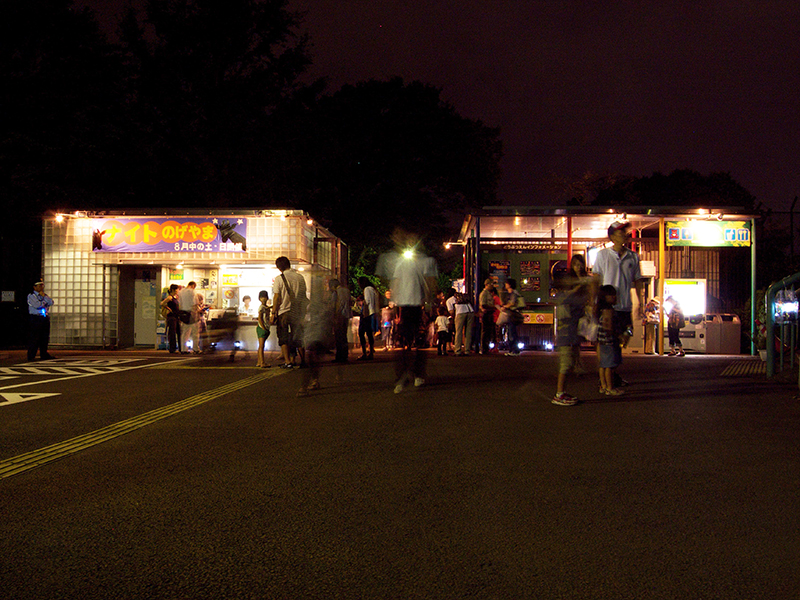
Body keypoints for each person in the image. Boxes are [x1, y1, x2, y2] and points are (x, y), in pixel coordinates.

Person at [376, 228, 438, 393]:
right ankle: (402, 375)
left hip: (417, 304)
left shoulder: (424, 260)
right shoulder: (403, 261)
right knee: (401, 341)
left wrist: (430, 303)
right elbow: (394, 281)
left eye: (414, 239)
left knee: (418, 340)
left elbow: (429, 282)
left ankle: (417, 374)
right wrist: (391, 301)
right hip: (402, 305)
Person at [592, 221, 646, 380]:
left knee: (625, 337)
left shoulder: (633, 256)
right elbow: (596, 279)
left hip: (625, 306)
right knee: (607, 344)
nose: (624, 235)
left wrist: (640, 302)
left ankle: (611, 375)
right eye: (620, 232)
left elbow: (638, 281)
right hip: (608, 308)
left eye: (625, 232)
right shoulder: (603, 255)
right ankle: (606, 379)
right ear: (612, 236)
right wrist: (593, 302)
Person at [552, 255, 593, 405]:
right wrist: (577, 287)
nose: (578, 267)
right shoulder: (570, 285)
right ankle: (559, 394)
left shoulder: (584, 283)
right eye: (575, 264)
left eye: (580, 264)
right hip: (566, 328)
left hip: (575, 327)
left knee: (571, 361)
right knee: (566, 362)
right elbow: (562, 299)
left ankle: (562, 392)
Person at [271, 256, 308, 369]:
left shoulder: (279, 279)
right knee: (299, 336)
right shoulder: (300, 277)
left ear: (279, 267)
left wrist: (273, 313)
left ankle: (288, 361)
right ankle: (303, 361)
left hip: (284, 312)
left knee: (283, 337)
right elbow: (303, 295)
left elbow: (277, 297)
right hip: (297, 312)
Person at [597, 284, 624, 396]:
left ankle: (603, 386)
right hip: (609, 341)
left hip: (602, 341)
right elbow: (609, 326)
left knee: (603, 365)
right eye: (612, 295)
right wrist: (618, 335)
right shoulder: (609, 310)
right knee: (609, 366)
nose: (614, 297)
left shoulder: (601, 309)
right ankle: (610, 388)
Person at [27, 280, 55, 361]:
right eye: (39, 285)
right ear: (34, 287)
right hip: (35, 318)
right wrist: (44, 302)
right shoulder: (31, 296)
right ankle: (31, 355)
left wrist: (44, 298)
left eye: (42, 285)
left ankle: (44, 354)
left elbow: (51, 302)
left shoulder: (44, 295)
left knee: (44, 337)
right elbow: (37, 305)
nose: (41, 287)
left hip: (44, 317)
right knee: (34, 337)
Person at [328, 278, 352, 363]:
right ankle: (345, 355)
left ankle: (339, 356)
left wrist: (335, 316)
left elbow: (337, 305)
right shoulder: (347, 291)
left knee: (338, 337)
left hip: (339, 316)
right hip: (346, 316)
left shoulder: (336, 293)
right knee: (344, 336)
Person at [446, 287, 475, 355]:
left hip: (460, 313)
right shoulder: (462, 297)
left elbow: (451, 311)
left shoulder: (449, 300)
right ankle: (467, 350)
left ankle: (458, 350)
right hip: (470, 311)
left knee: (458, 332)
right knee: (468, 332)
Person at [357, 276, 379, 360]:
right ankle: (370, 352)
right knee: (369, 333)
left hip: (367, 314)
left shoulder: (367, 289)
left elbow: (367, 301)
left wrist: (363, 313)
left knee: (361, 332)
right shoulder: (374, 290)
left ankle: (364, 352)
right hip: (372, 313)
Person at [500, 278, 523, 356]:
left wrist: (505, 306)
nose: (505, 285)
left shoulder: (513, 293)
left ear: (509, 284)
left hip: (512, 315)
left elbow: (512, 303)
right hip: (511, 315)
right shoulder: (512, 293)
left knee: (512, 333)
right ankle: (513, 350)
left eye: (506, 283)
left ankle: (514, 350)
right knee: (512, 332)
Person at [178, 281, 201, 353]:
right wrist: (198, 312)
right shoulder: (193, 292)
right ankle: (196, 349)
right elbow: (195, 304)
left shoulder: (180, 292)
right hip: (192, 314)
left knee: (184, 333)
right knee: (195, 333)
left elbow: (180, 304)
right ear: (193, 285)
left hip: (184, 314)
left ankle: (183, 349)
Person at [160, 284, 181, 353]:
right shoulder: (170, 297)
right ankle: (172, 348)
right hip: (171, 317)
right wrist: (168, 308)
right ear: (173, 290)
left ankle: (179, 347)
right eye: (177, 289)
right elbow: (162, 303)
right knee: (172, 333)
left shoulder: (175, 297)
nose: (178, 290)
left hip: (176, 317)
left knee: (178, 332)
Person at [478, 278, 497, 354]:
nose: (492, 286)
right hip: (486, 314)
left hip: (490, 314)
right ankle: (483, 348)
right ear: (486, 285)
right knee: (485, 331)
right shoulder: (484, 293)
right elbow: (483, 304)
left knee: (488, 331)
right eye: (491, 284)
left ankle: (486, 347)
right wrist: (492, 307)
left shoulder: (489, 293)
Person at [256, 290, 271, 368]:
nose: (263, 299)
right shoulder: (261, 307)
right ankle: (262, 362)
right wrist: (264, 327)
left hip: (264, 328)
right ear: (259, 299)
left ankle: (259, 362)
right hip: (262, 328)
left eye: (265, 297)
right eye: (262, 297)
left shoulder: (265, 307)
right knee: (261, 346)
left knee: (261, 346)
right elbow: (260, 318)